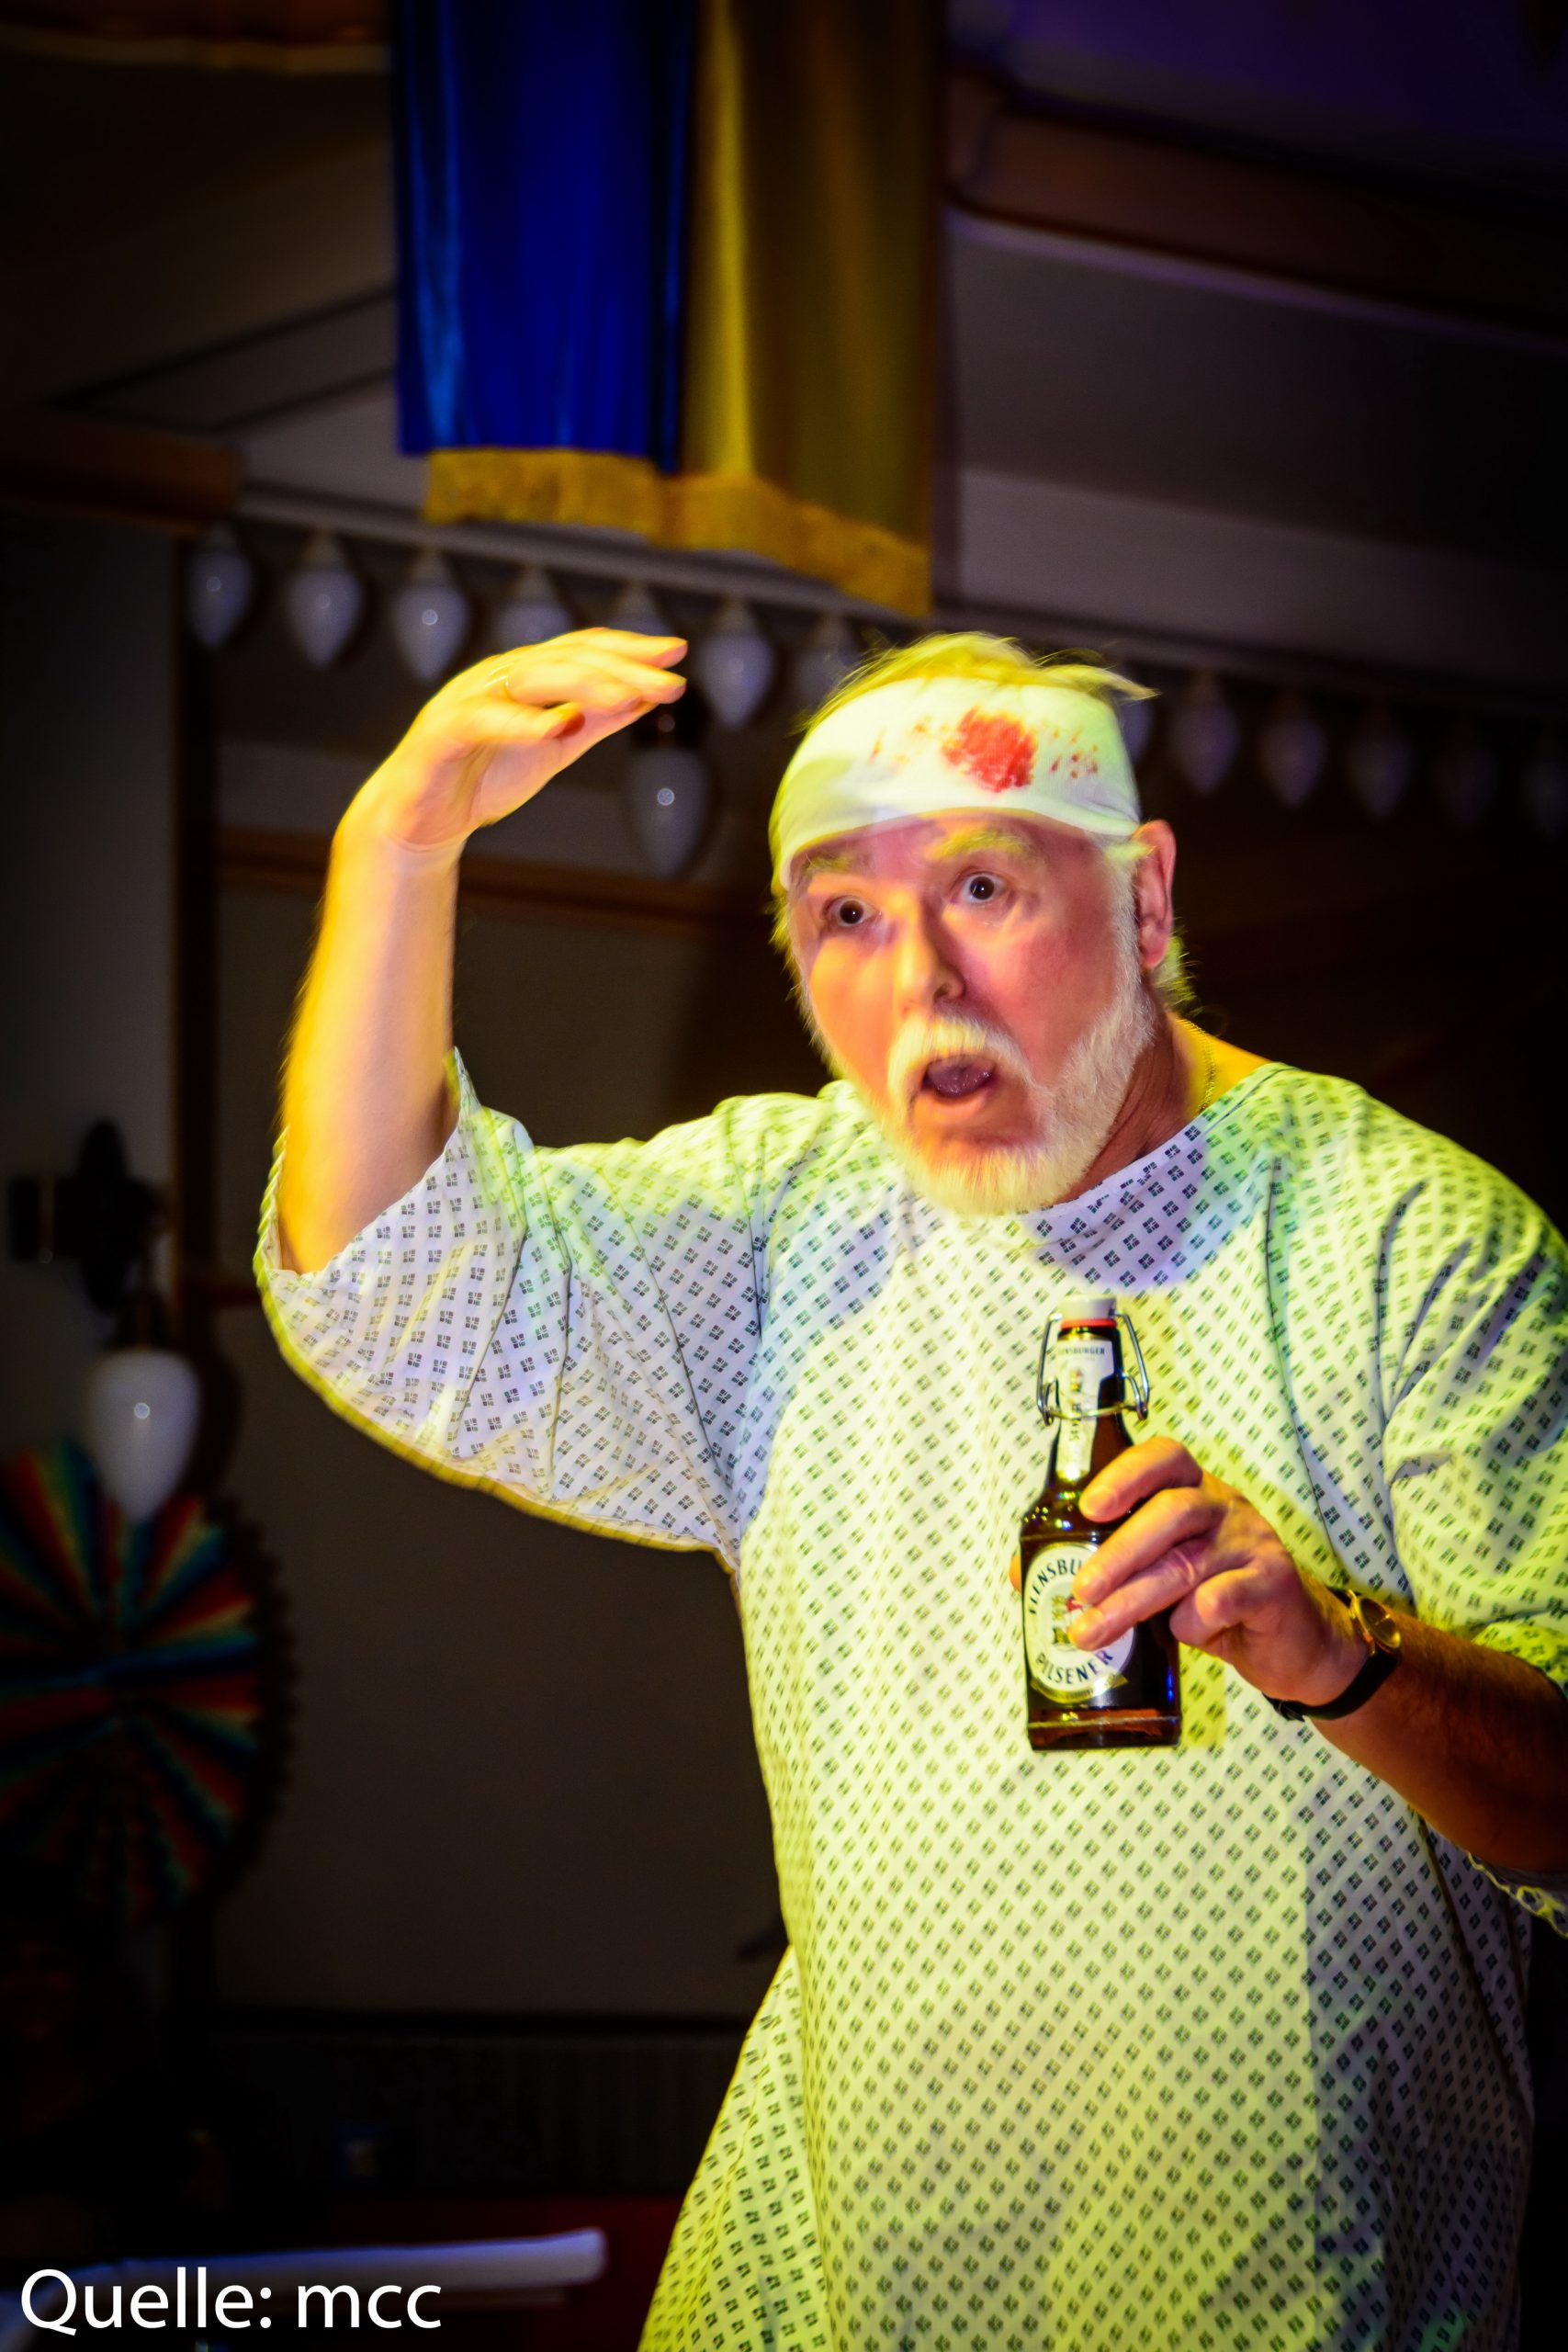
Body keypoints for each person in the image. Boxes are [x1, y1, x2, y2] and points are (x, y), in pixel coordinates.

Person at [258, 627, 1568, 2351]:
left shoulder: (1414, 1240)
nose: (922, 981)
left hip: (1294, 2283)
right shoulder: (789, 1221)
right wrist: (400, 841)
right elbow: (388, 1284)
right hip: (836, 2285)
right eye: (848, 918)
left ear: (1146, 902)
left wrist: (1345, 1659)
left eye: (983, 888)